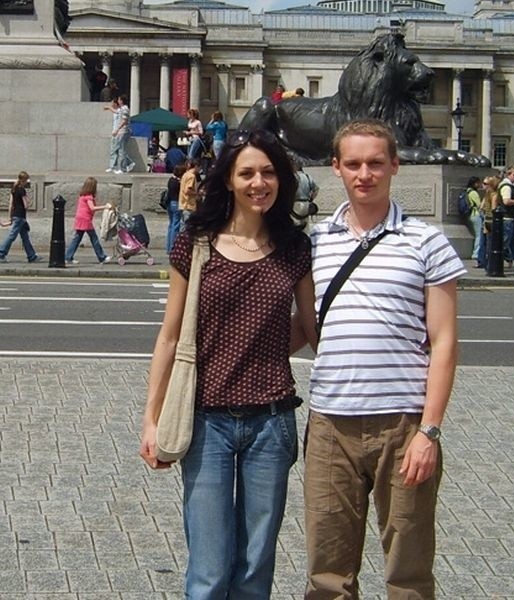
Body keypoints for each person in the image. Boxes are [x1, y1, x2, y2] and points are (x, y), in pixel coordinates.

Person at [139, 128, 316, 598]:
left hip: (271, 422)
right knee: (209, 570)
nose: (259, 183)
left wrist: (262, 347)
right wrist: (151, 419)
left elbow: (310, 326)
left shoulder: (295, 249)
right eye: (248, 173)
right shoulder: (197, 243)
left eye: (269, 172)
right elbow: (170, 336)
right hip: (206, 423)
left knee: (255, 567)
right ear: (230, 181)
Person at [304, 119, 466, 599]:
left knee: (408, 569)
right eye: (353, 163)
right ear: (336, 168)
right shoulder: (314, 241)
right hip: (330, 424)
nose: (365, 173)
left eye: (376, 162)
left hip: (403, 424)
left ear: (395, 165)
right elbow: (305, 328)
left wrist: (429, 432)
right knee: (327, 572)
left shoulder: (426, 241)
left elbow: (445, 341)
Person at [65, 177, 112, 265]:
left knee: (77, 238)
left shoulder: (82, 195)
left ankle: (68, 257)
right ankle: (102, 257)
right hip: (85, 219)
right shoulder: (89, 197)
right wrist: (105, 207)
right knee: (94, 239)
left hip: (80, 218)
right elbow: (92, 208)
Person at [0, 171, 42, 264]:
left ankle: (31, 256)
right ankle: (1, 253)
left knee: (25, 237)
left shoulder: (14, 189)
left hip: (16, 215)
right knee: (12, 236)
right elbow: (26, 205)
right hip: (20, 216)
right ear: (23, 180)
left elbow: (10, 204)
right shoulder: (22, 190)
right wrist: (28, 200)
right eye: (26, 180)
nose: (27, 182)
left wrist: (10, 217)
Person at [104, 95, 135, 174]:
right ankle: (125, 166)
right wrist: (108, 108)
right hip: (121, 131)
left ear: (121, 101)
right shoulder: (122, 109)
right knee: (121, 149)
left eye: (119, 99)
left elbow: (124, 121)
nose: (118, 101)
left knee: (121, 150)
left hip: (123, 131)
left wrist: (117, 130)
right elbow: (116, 111)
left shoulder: (125, 109)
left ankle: (123, 168)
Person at [479, 175, 501, 272]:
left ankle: (487, 264)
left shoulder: (487, 195)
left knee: (487, 244)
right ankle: (491, 265)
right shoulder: (494, 195)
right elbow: (494, 209)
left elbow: (481, 207)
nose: (483, 185)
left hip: (486, 221)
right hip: (492, 221)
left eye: (485, 184)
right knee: (492, 245)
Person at [165, 163, 185, 254]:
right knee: (176, 225)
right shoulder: (178, 183)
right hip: (176, 203)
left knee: (171, 225)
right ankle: (173, 246)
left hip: (170, 203)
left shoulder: (170, 180)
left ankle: (168, 247)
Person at [178, 159, 201, 228]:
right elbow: (187, 190)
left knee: (182, 227)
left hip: (182, 203)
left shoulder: (185, 174)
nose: (200, 170)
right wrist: (198, 193)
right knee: (188, 228)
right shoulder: (192, 176)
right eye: (200, 168)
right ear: (196, 166)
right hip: (189, 205)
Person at [465, 176, 483, 264]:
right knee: (479, 235)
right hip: (476, 215)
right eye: (479, 183)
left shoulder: (467, 191)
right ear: (475, 183)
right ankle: (476, 253)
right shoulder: (474, 193)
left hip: (470, 215)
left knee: (476, 234)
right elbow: (479, 205)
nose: (480, 184)